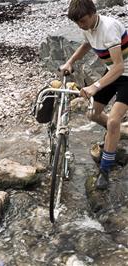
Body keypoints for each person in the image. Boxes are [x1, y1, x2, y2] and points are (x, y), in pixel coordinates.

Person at [60, 0, 128, 190]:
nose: (80, 25)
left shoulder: (109, 28)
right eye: (77, 23)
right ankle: (115, 136)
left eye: (82, 21)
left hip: (125, 74)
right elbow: (86, 45)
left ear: (93, 12)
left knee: (113, 121)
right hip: (113, 73)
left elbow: (119, 66)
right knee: (92, 114)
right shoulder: (89, 27)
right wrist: (70, 62)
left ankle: (105, 170)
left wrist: (95, 86)